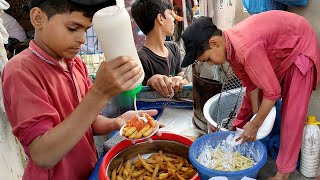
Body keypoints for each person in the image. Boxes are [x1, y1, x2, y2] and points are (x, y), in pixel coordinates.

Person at [1, 0, 158, 179]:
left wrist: (117, 122)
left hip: (88, 171)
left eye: (85, 30)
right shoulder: (21, 71)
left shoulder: (76, 65)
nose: (82, 39)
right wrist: (99, 93)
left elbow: (87, 122)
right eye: (73, 28)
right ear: (38, 18)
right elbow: (43, 154)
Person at [180, 11, 320, 180]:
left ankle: (283, 174)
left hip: (300, 45)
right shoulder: (230, 48)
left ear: (214, 43)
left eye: (207, 59)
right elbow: (251, 85)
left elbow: (273, 93)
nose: (210, 64)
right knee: (254, 102)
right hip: (283, 48)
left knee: (291, 114)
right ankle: (235, 133)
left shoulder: (245, 49)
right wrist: (256, 113)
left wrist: (255, 124)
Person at [131, 0, 187, 98]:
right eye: (170, 14)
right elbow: (137, 95)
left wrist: (179, 78)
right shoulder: (140, 59)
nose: (173, 19)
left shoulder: (174, 48)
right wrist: (150, 82)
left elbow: (181, 73)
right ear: (160, 19)